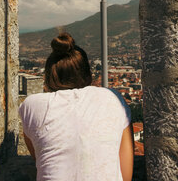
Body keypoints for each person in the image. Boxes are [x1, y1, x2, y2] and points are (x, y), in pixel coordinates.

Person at [19, 32, 134, 181]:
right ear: (88, 75)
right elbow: (125, 174)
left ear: (48, 77)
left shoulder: (32, 106)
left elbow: (40, 157)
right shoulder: (113, 99)